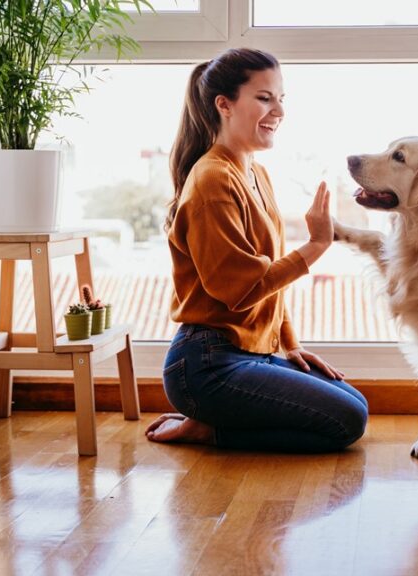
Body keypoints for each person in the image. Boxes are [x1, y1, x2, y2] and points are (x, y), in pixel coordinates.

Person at [145, 48, 369, 452]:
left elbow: (267, 282)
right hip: (205, 364)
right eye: (265, 98)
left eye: (281, 99)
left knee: (355, 402)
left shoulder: (255, 172)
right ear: (224, 105)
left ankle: (213, 422)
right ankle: (208, 429)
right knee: (347, 421)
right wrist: (317, 245)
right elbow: (240, 290)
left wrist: (290, 343)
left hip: (250, 352)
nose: (278, 110)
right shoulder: (212, 181)